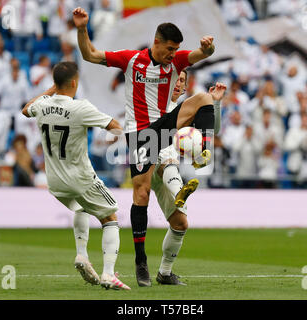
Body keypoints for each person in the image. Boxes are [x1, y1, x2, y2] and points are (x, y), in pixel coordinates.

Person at [73, 6, 216, 287]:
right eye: (170, 48)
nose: (174, 54)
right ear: (157, 42)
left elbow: (203, 55)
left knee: (204, 99)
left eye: (177, 49)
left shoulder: (177, 63)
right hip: (141, 134)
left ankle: (202, 151)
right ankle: (141, 263)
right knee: (142, 192)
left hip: (165, 126)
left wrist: (208, 48)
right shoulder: (131, 60)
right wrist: (81, 28)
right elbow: (90, 54)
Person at [21, 61, 130, 290]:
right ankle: (109, 275)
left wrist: (51, 90)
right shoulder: (81, 107)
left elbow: (25, 109)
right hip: (80, 178)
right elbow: (114, 126)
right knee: (110, 217)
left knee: (81, 208)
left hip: (55, 181)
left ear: (55, 83)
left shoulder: (42, 106)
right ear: (74, 82)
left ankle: (82, 254)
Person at [150, 71, 227, 285]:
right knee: (168, 156)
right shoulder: (153, 101)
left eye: (183, 80)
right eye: (175, 78)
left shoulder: (186, 108)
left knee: (180, 224)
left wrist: (216, 104)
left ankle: (165, 273)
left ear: (185, 86)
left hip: (167, 173)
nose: (178, 83)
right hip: (147, 158)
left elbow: (212, 131)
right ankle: (180, 192)